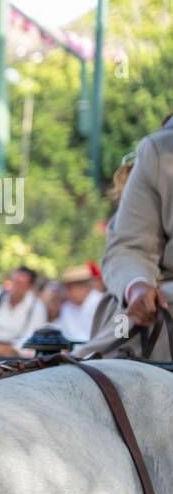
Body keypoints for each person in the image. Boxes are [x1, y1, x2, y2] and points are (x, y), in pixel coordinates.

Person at [88, 113, 173, 359]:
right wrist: (136, 285)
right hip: (162, 308)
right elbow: (127, 247)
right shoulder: (159, 150)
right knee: (97, 365)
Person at [56, 264, 103, 345]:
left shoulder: (100, 302)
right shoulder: (67, 307)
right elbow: (60, 330)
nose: (67, 293)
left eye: (70, 288)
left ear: (84, 287)